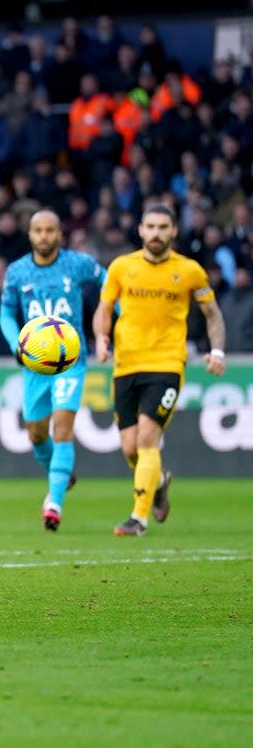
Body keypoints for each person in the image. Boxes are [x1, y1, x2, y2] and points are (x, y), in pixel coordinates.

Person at [92, 204, 227, 537]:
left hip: (166, 364)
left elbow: (212, 314)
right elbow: (105, 307)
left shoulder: (190, 270)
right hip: (125, 365)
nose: (156, 233)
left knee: (147, 438)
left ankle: (138, 519)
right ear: (140, 230)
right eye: (150, 226)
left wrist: (218, 351)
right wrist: (100, 337)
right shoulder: (122, 267)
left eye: (162, 227)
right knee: (129, 447)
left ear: (173, 231)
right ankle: (159, 480)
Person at [0, 210, 106, 531]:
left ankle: (54, 502)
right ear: (30, 234)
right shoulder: (17, 271)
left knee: (62, 427)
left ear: (60, 234)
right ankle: (60, 475)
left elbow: (110, 284)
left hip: (71, 361)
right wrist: (15, 343)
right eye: (38, 231)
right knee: (35, 433)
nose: (44, 236)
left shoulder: (78, 264)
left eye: (50, 230)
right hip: (34, 364)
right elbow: (6, 312)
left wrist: (116, 319)